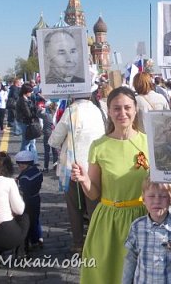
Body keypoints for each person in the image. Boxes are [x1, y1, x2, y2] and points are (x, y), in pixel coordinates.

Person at [70, 87, 149, 283]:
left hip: (141, 220)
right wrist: (84, 180)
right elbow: (93, 193)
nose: (122, 113)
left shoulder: (149, 143)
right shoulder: (99, 146)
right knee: (108, 275)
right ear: (109, 111)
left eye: (127, 107)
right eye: (116, 108)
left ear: (135, 109)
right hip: (109, 222)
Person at [49, 94, 106, 253]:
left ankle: (78, 243)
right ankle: (97, 243)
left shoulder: (71, 111)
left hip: (74, 167)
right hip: (95, 166)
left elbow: (54, 140)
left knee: (74, 208)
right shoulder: (97, 110)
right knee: (94, 207)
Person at [122, 177, 171, 283]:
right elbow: (131, 259)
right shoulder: (137, 226)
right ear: (143, 199)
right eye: (151, 196)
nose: (157, 201)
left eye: (163, 196)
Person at [15, 150, 43, 253]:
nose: (20, 166)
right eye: (19, 163)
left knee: (28, 221)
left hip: (28, 200)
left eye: (22, 164)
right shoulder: (36, 171)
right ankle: (39, 237)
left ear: (28, 163)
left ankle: (33, 241)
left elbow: (24, 190)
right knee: (35, 219)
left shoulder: (25, 177)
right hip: (36, 198)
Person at [39, 101, 59, 173]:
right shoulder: (57, 115)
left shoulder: (46, 115)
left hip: (47, 134)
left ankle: (46, 167)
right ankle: (55, 165)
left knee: (47, 151)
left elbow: (38, 114)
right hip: (55, 134)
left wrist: (40, 109)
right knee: (55, 151)